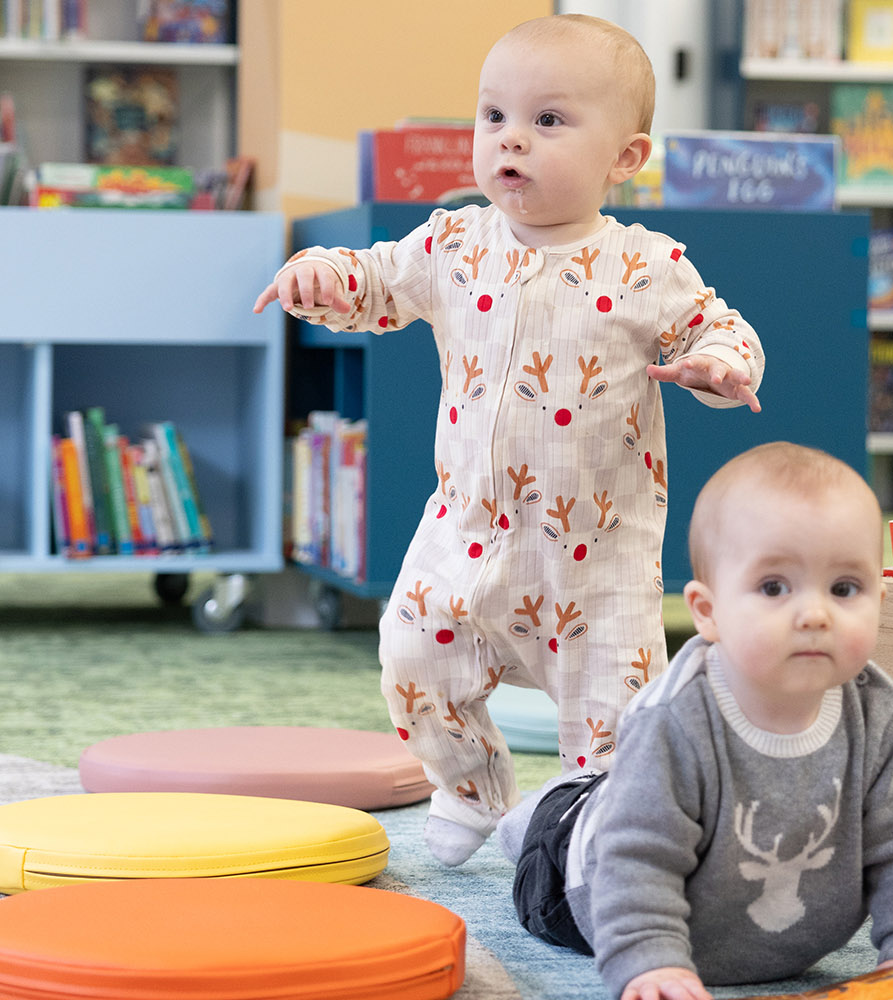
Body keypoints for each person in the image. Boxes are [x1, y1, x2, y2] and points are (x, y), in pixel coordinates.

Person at [253, 14, 765, 866]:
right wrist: (323, 275)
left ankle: (595, 836)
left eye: (548, 120)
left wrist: (720, 364)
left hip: (595, 557)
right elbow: (377, 280)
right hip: (464, 533)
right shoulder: (455, 242)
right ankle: (471, 787)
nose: (510, 140)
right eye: (493, 116)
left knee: (613, 723)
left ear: (625, 158)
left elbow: (721, 328)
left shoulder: (645, 265)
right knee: (411, 658)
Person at [498, 442, 893, 1000]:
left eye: (844, 589)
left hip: (767, 928)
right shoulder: (675, 719)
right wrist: (650, 961)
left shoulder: (874, 713)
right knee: (588, 816)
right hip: (582, 886)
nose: (815, 614)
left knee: (635, 792)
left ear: (880, 600)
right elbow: (637, 857)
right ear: (708, 611)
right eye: (774, 587)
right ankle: (540, 812)